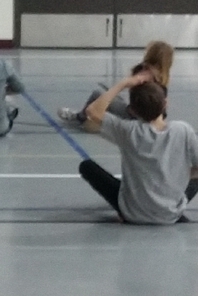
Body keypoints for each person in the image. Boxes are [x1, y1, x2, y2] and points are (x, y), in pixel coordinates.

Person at [78, 72, 198, 224]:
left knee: (87, 166)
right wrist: (178, 174)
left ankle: (135, 205)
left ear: (133, 111)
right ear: (165, 103)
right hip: (170, 214)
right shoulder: (183, 130)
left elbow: (92, 111)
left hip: (132, 213)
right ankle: (168, 205)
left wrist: (123, 84)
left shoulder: (128, 131)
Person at [58, 40, 174, 128]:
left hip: (132, 117)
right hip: (152, 118)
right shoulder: (162, 78)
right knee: (115, 97)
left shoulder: (142, 72)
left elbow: (133, 94)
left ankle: (79, 117)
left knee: (98, 94)